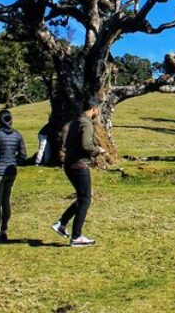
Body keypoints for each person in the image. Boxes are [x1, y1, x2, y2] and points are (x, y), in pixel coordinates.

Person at [52, 97, 106, 247]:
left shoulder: (76, 121)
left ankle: (61, 224)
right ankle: (76, 236)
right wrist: (98, 150)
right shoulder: (86, 123)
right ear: (94, 108)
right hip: (79, 165)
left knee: (82, 198)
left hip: (69, 163)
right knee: (86, 199)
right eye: (99, 109)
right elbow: (86, 144)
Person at [0, 109, 27, 243]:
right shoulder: (17, 135)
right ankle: (4, 230)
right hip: (11, 172)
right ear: (11, 120)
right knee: (6, 201)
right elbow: (23, 155)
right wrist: (14, 162)